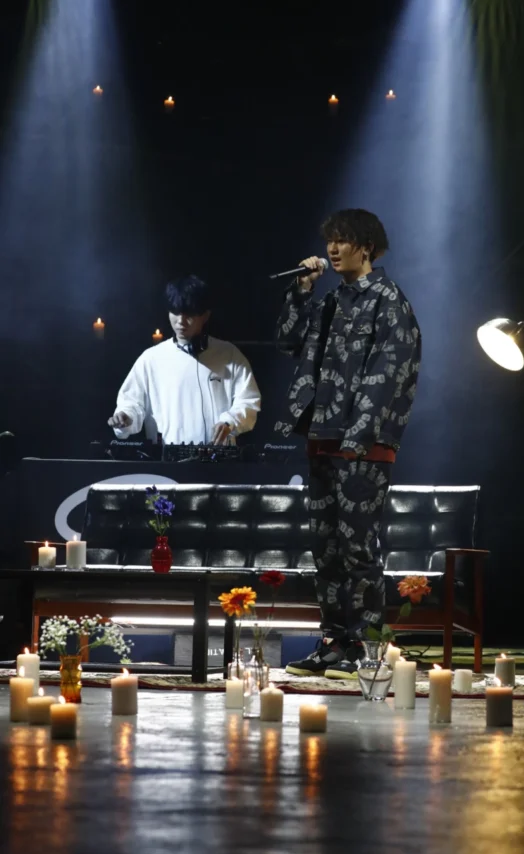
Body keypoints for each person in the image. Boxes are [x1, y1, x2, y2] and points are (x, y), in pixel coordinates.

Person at [275, 209, 421, 678]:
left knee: (358, 549)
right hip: (322, 439)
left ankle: (366, 647)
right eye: (330, 241)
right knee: (327, 550)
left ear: (367, 247)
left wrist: (358, 438)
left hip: (363, 446)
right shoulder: (330, 301)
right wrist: (302, 291)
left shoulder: (389, 301)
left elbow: (390, 376)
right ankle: (334, 642)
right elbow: (288, 342)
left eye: (343, 241)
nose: (333, 249)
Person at [109, 275, 261, 445]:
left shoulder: (229, 354)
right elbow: (131, 403)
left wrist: (230, 422)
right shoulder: (151, 359)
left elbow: (248, 402)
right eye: (175, 312)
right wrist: (125, 417)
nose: (180, 321)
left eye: (189, 314)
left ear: (205, 316)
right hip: (166, 457)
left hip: (219, 457)